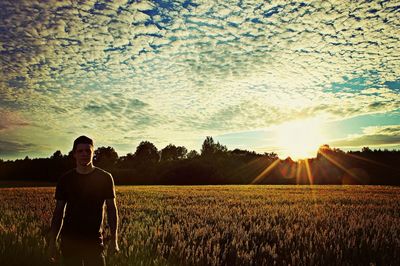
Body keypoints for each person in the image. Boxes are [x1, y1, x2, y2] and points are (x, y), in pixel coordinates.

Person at [47, 135, 119, 266]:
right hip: (69, 242)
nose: (84, 154)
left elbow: (112, 210)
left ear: (93, 153)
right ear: (74, 154)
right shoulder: (65, 179)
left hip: (94, 242)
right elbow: (58, 212)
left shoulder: (105, 178)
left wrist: (114, 240)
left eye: (88, 151)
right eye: (80, 151)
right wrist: (53, 242)